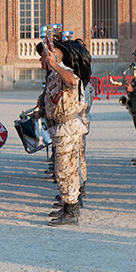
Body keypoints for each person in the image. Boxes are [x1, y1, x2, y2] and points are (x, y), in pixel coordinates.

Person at [40, 37, 92, 226]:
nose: (41, 60)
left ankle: (71, 211)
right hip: (60, 128)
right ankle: (68, 206)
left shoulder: (65, 72)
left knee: (65, 170)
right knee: (65, 170)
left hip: (68, 129)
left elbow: (72, 81)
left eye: (44, 56)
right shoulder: (53, 76)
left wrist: (55, 65)